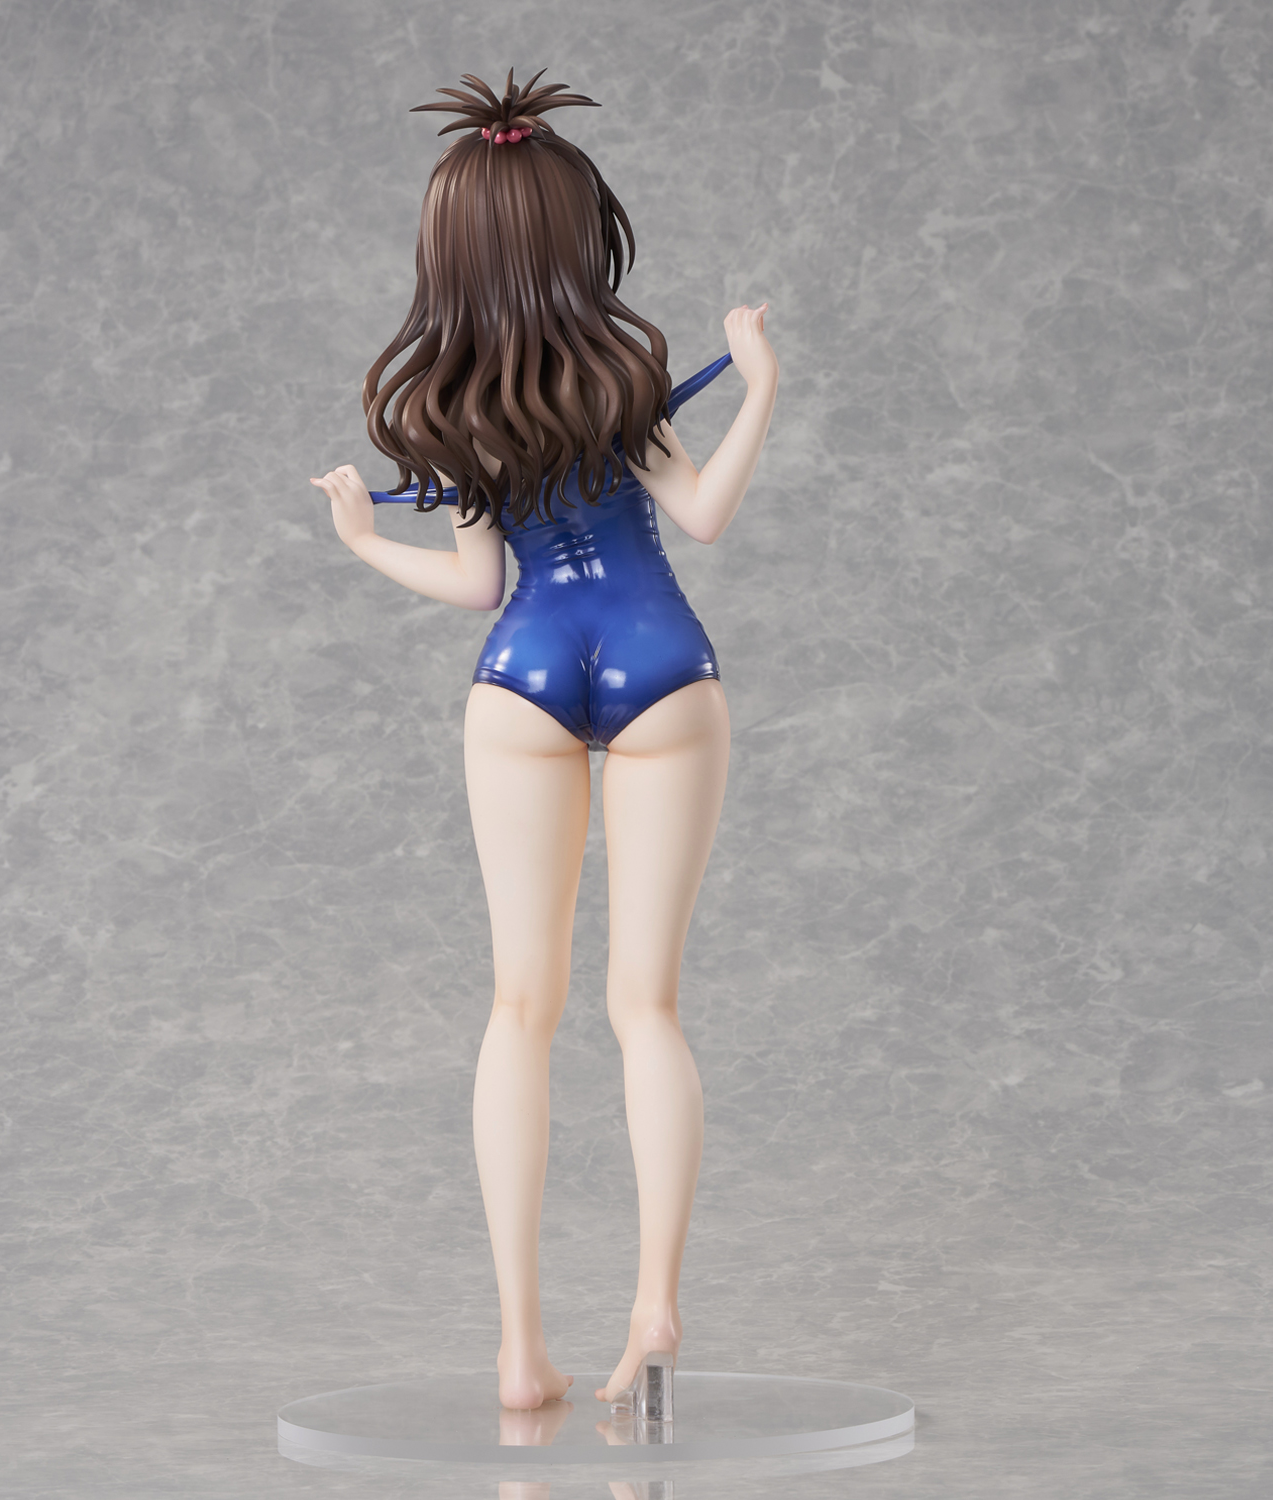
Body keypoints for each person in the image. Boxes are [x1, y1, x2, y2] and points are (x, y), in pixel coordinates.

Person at [309, 68, 778, 1413]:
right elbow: (703, 519)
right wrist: (759, 385)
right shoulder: (628, 378)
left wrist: (361, 540)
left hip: (520, 679)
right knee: (647, 1007)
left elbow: (475, 586)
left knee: (521, 1006)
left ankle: (519, 1350)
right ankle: (656, 1308)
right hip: (661, 668)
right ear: (582, 232)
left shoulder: (449, 407)